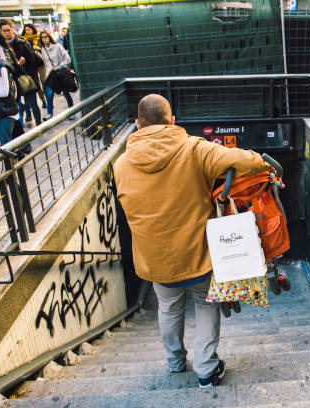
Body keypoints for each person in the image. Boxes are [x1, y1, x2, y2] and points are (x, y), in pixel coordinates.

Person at [113, 94, 273, 387]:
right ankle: (206, 368)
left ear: (137, 124)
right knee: (206, 304)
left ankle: (175, 362)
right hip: (198, 255)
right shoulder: (194, 149)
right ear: (172, 121)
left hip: (155, 260)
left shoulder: (121, 164)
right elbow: (243, 161)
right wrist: (261, 161)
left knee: (169, 308)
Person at [0, 19, 41, 128]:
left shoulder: (22, 43)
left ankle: (39, 126)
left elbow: (32, 62)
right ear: (0, 31)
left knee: (32, 103)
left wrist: (31, 77)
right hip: (11, 81)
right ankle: (22, 135)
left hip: (26, 78)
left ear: (12, 30)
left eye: (8, 30)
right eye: (4, 31)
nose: (7, 33)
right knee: (18, 108)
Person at [39, 30, 73, 120]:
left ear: (49, 37)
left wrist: (59, 66)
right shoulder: (42, 49)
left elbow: (68, 59)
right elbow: (46, 64)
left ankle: (72, 111)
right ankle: (49, 113)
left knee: (66, 93)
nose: (44, 39)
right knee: (49, 94)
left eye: (46, 36)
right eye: (42, 37)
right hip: (50, 75)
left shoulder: (57, 46)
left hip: (59, 73)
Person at [23, 23, 47, 109]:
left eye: (29, 29)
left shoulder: (39, 38)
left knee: (44, 81)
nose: (27, 31)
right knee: (37, 84)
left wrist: (38, 48)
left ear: (33, 29)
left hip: (40, 62)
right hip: (31, 64)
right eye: (26, 30)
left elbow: (45, 49)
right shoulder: (23, 40)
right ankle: (44, 101)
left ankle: (48, 98)